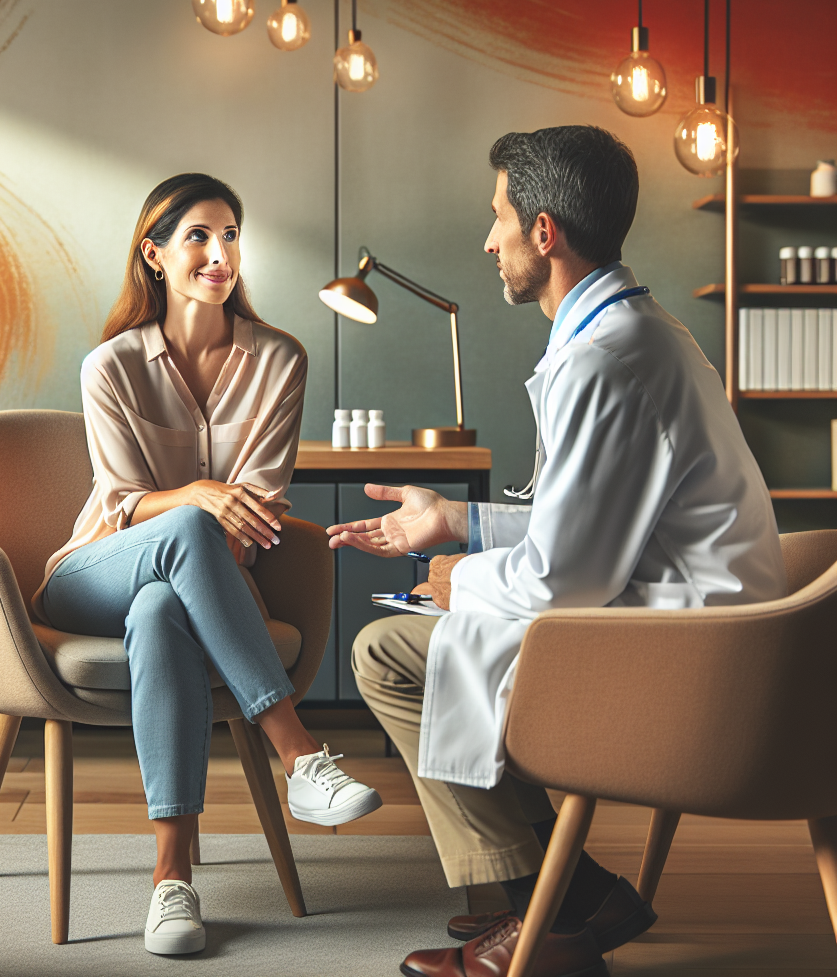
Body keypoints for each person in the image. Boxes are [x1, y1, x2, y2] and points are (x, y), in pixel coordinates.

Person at [327, 126, 786, 977]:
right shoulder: (638, 336)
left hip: (695, 658)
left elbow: (566, 575)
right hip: (699, 628)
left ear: (545, 233)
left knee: (388, 652)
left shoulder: (609, 361)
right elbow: (592, 527)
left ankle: (557, 905)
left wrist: (457, 577)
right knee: (428, 637)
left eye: (499, 217)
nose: (488, 239)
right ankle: (558, 897)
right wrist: (457, 525)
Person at [33, 174, 381, 957]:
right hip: (90, 573)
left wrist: (205, 517)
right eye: (198, 236)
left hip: (200, 577)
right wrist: (195, 497)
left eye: (230, 236)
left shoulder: (280, 360)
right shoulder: (111, 367)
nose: (220, 254)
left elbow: (255, 513)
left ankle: (171, 880)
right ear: (154, 254)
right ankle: (298, 751)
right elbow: (123, 503)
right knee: (182, 527)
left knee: (161, 609)